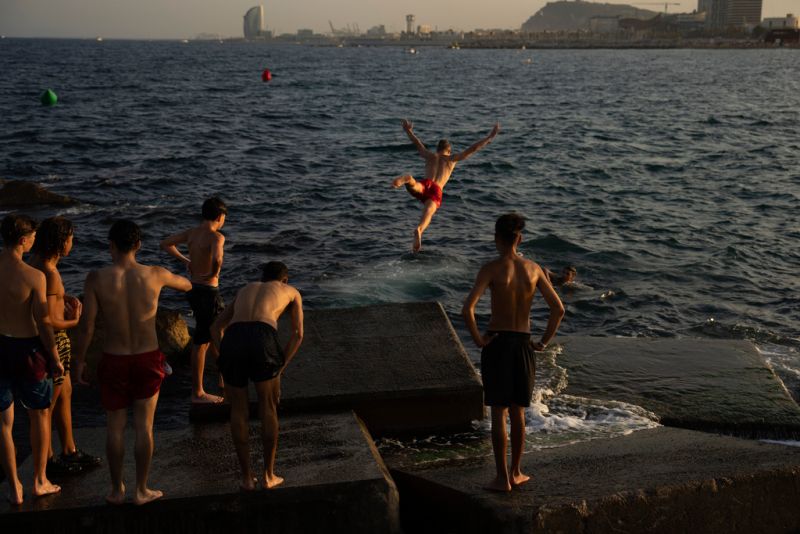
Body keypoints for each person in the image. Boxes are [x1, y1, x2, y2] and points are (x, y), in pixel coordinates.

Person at [73, 220, 191, 505]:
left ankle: (116, 490)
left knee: (114, 426)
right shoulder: (155, 274)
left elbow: (87, 326)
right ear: (138, 245)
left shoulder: (96, 278)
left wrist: (79, 361)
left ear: (111, 246)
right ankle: (141, 490)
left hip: (114, 359)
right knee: (144, 427)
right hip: (147, 358)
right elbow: (188, 285)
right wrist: (191, 265)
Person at [462, 213, 564, 492]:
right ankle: (517, 472)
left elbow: (467, 309)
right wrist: (542, 342)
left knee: (499, 413)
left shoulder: (491, 269)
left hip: (497, 344)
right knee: (519, 411)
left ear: (497, 238)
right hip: (523, 343)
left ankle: (500, 478)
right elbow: (559, 309)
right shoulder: (534, 269)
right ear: (519, 238)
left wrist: (479, 340)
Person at [210, 261, 303, 491]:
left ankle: (246, 479)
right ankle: (268, 476)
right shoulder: (290, 291)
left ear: (262, 279)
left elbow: (215, 328)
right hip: (263, 337)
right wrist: (281, 365)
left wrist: (226, 355)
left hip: (233, 337)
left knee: (238, 410)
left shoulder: (245, 289)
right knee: (268, 408)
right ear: (285, 280)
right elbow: (298, 334)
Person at [29, 217, 101, 476]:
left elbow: (45, 304)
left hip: (52, 341)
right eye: (70, 238)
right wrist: (74, 321)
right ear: (61, 242)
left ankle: (69, 449)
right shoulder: (49, 272)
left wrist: (63, 297)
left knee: (66, 394)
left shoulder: (38, 264)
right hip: (54, 342)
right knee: (49, 403)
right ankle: (49, 458)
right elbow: (46, 319)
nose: (73, 242)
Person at [0, 214, 63, 504]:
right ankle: (39, 481)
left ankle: (14, 486)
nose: (35, 241)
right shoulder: (34, 277)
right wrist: (55, 357)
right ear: (24, 240)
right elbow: (44, 322)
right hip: (27, 350)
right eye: (33, 237)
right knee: (39, 413)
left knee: (3, 422)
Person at [392, 119, 500, 252]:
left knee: (415, 186)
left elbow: (417, 143)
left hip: (426, 183)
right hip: (436, 190)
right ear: (448, 151)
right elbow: (473, 148)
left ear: (437, 150)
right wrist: (489, 137)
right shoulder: (451, 159)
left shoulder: (430, 156)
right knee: (429, 211)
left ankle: (409, 180)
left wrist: (409, 131)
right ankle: (419, 229)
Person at [160, 197, 227, 404]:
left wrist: (186, 260)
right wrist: (214, 272)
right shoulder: (216, 237)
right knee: (202, 341)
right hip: (208, 291)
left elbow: (165, 243)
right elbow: (217, 258)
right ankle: (197, 392)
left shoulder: (192, 233)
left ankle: (223, 376)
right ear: (220, 217)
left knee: (212, 330)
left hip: (194, 289)